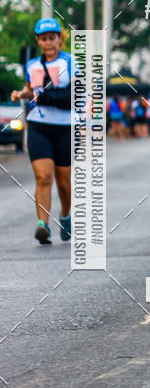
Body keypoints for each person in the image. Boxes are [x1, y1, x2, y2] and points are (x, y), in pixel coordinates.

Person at [10, 17, 75, 244]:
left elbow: (77, 93)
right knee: (43, 176)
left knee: (64, 182)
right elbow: (31, 89)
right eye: (44, 39)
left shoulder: (71, 62)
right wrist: (20, 94)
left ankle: (65, 216)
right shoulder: (32, 65)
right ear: (38, 41)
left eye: (52, 38)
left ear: (60, 39)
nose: (48, 43)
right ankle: (43, 225)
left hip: (65, 127)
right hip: (38, 125)